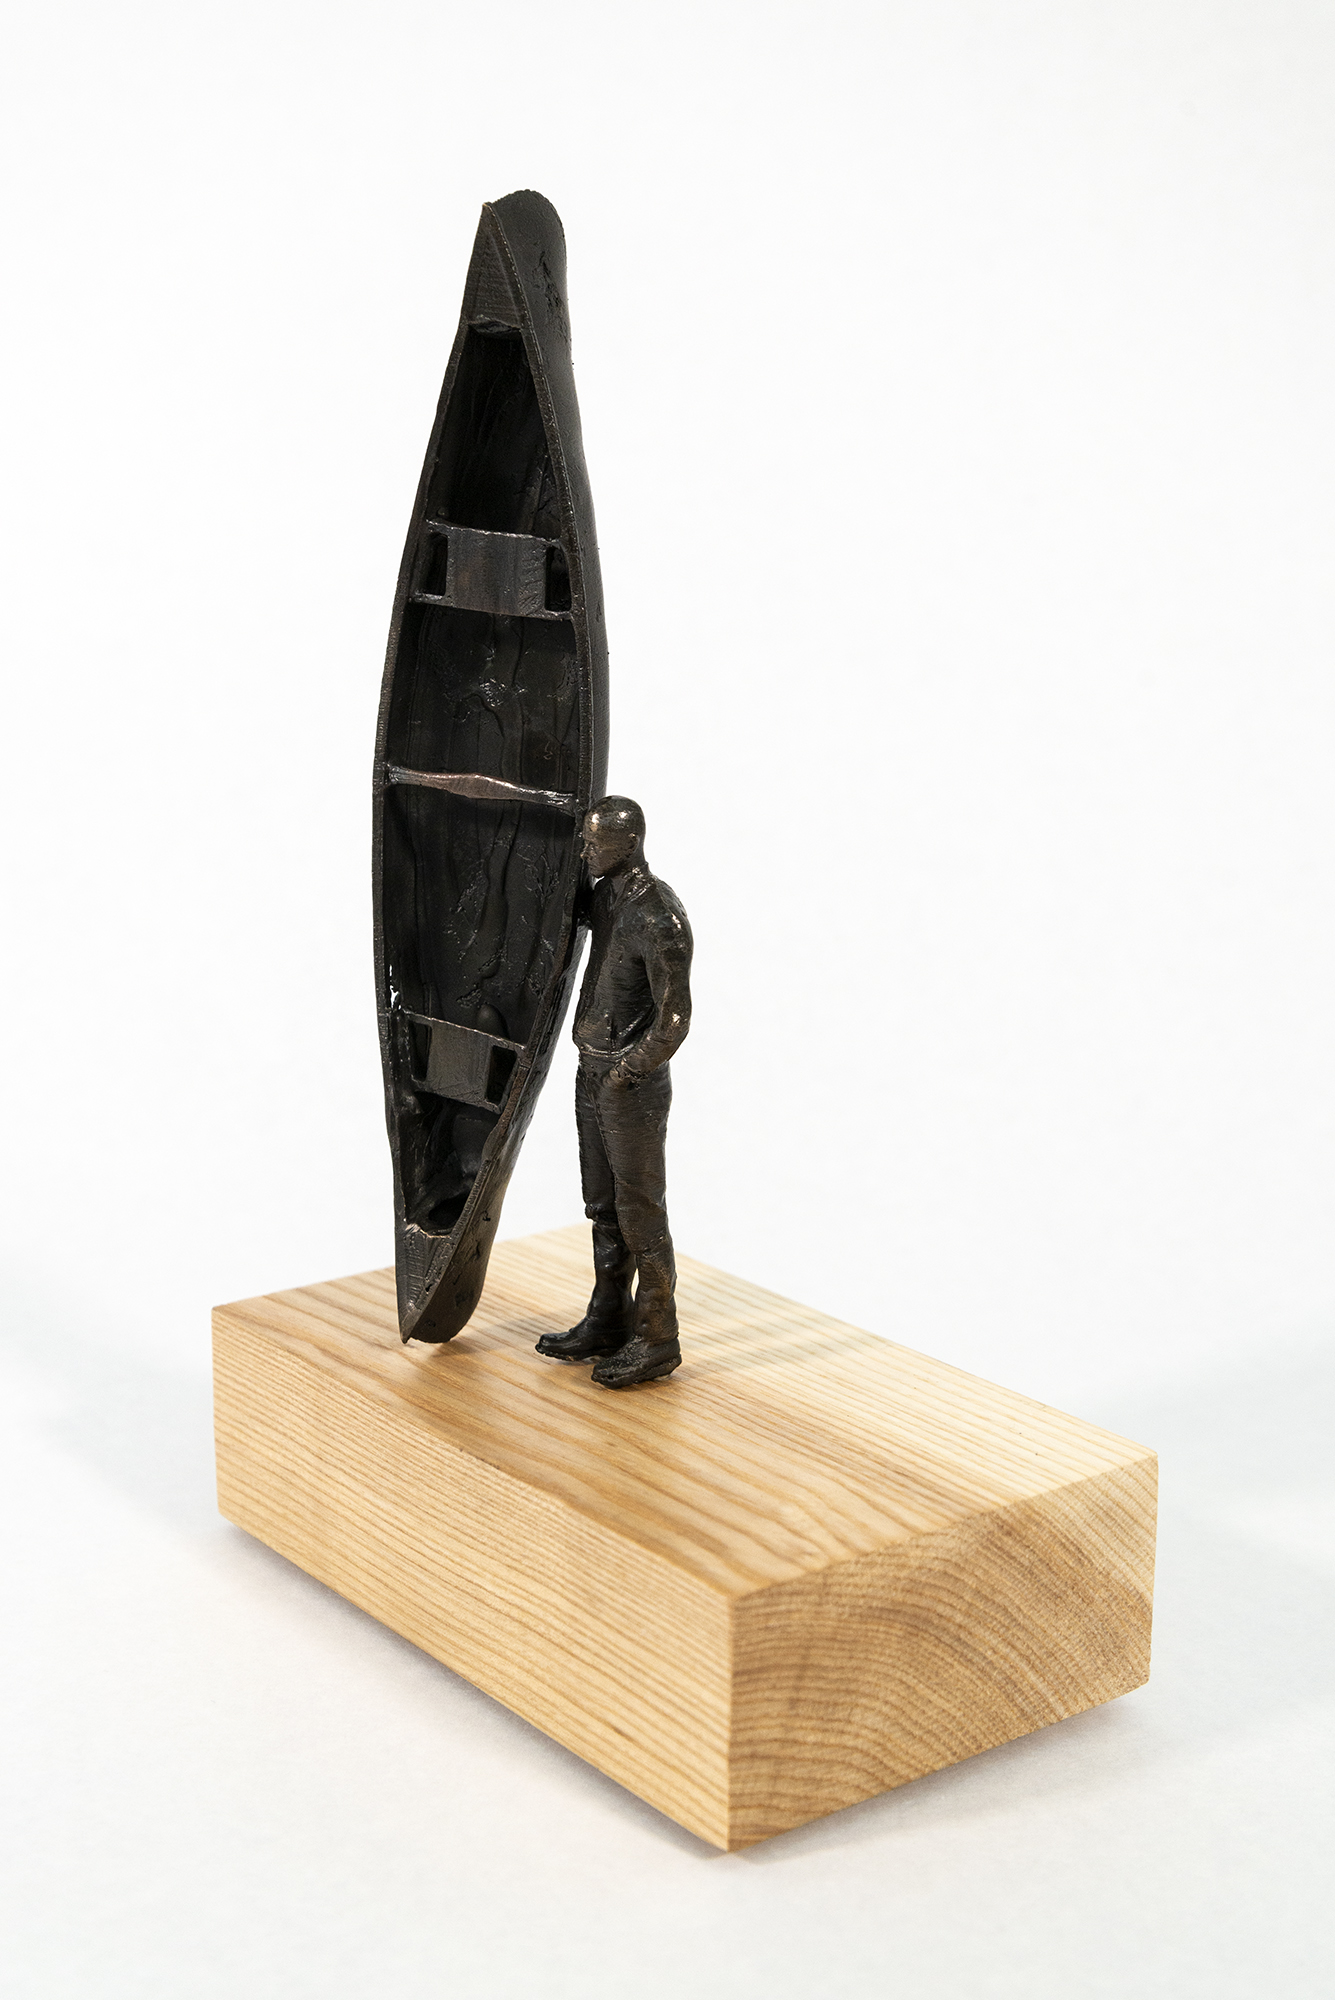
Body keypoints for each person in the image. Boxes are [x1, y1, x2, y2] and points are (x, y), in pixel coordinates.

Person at [535, 796, 693, 1388]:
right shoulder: (605, 896)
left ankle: (657, 1337)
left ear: (628, 844)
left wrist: (628, 1072)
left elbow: (675, 1018)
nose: (585, 851)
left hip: (630, 1084)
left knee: (640, 1212)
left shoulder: (658, 916)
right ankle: (609, 1318)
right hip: (592, 1069)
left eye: (594, 843)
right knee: (601, 1205)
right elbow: (557, 906)